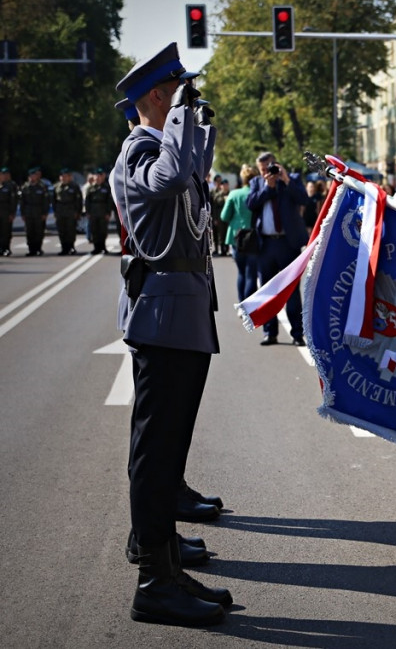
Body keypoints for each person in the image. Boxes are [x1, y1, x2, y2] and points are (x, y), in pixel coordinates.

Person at [111, 42, 230, 626]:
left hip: (181, 316)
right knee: (156, 453)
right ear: (156, 97)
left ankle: (164, 558)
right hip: (161, 318)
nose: (187, 98)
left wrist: (196, 127)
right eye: (178, 91)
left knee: (169, 446)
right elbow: (168, 179)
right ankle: (153, 580)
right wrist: (181, 118)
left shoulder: (165, 143)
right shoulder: (138, 151)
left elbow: (193, 178)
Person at [246, 151, 312, 346]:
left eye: (270, 168)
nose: (267, 172)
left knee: (291, 290)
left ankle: (297, 333)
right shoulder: (257, 183)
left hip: (287, 243)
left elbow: (304, 200)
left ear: (277, 164)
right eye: (263, 170)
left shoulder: (291, 179)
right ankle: (270, 332)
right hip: (265, 244)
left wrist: (285, 180)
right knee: (267, 290)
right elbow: (250, 203)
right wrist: (268, 187)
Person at [221, 164, 259, 306]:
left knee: (241, 272)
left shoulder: (234, 194)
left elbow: (224, 216)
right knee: (251, 273)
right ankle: (249, 305)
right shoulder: (256, 194)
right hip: (253, 236)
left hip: (236, 236)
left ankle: (241, 304)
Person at [52, 168, 83, 255]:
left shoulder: (74, 186)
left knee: (71, 230)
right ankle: (64, 248)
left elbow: (78, 200)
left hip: (71, 211)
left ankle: (71, 247)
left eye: (66, 176)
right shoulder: (56, 187)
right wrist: (55, 211)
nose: (64, 178)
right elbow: (53, 200)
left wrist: (78, 212)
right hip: (60, 211)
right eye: (62, 176)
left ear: (69, 177)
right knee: (61, 231)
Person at [83, 167, 114, 255]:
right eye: (96, 175)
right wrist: (88, 212)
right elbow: (87, 201)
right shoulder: (90, 188)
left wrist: (108, 212)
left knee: (103, 231)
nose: (98, 177)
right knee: (94, 231)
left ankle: (103, 247)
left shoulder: (106, 188)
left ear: (102, 177)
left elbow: (109, 201)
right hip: (93, 212)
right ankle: (96, 248)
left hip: (103, 212)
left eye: (99, 175)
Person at [18, 167, 48, 256]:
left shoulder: (42, 187)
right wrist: (22, 213)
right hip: (28, 212)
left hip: (38, 212)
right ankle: (31, 249)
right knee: (29, 232)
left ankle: (38, 248)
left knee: (39, 231)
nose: (33, 177)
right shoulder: (25, 187)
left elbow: (45, 201)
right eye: (31, 175)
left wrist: (44, 213)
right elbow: (22, 201)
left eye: (34, 175)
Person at [0, 166, 16, 255]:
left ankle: (6, 248)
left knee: (6, 232)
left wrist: (12, 213)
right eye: (3, 174)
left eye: (6, 174)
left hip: (6, 212)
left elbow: (13, 201)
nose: (4, 176)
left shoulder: (11, 186)